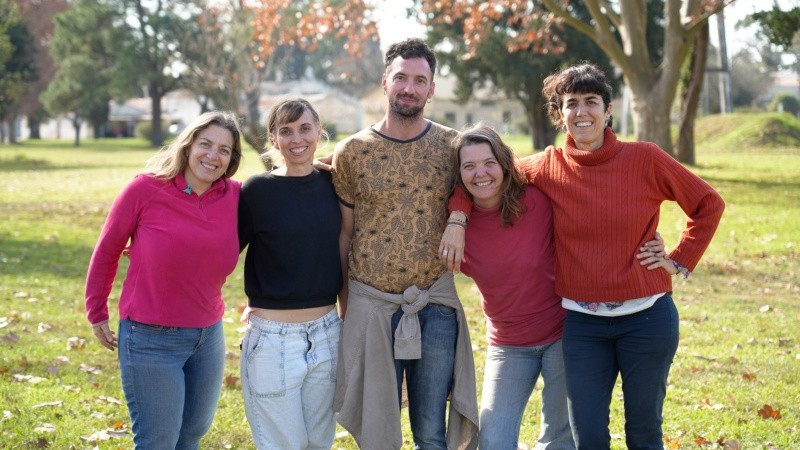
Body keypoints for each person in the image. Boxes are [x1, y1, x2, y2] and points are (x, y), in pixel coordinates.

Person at [446, 63, 725, 450]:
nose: (581, 112)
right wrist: (458, 216)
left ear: (608, 110)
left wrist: (679, 258)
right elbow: (486, 176)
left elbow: (708, 203)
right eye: (571, 103)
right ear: (559, 114)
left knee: (644, 432)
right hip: (583, 325)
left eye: (591, 101)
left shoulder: (646, 158)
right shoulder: (548, 166)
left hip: (647, 317)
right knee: (588, 437)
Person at [331, 37, 479, 450]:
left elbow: (485, 179)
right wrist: (347, 305)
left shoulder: (452, 146)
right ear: (384, 81)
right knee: (379, 432)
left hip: (434, 305)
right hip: (371, 306)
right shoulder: (352, 152)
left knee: (430, 431)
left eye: (419, 80)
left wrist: (458, 217)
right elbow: (345, 234)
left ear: (432, 89)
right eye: (401, 78)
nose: (409, 88)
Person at [85, 111, 243, 449]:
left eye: (224, 150)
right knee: (158, 441)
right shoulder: (145, 189)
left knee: (191, 436)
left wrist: (322, 164)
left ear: (232, 159)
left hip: (208, 338)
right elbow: (107, 250)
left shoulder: (235, 196)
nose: (213, 156)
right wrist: (96, 311)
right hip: (149, 338)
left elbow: (285, 186)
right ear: (188, 146)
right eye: (205, 144)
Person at [452, 123, 575, 450]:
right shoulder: (455, 227)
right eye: (469, 165)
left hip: (562, 334)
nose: (480, 173)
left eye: (489, 162)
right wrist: (456, 218)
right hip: (508, 343)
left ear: (504, 164)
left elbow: (589, 214)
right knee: (494, 442)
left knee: (560, 441)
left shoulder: (537, 200)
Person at [237, 98, 343, 450]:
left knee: (319, 443)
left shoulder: (335, 185)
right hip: (272, 340)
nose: (297, 139)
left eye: (304, 128)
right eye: (286, 131)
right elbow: (220, 251)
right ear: (273, 138)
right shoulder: (257, 191)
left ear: (318, 131)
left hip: (328, 334)